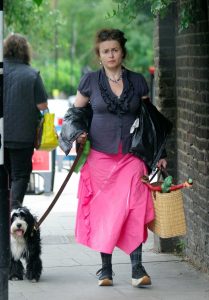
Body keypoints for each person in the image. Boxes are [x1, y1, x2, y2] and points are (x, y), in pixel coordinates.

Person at [60, 28, 168, 287]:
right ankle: (105, 269)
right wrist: (77, 135)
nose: (111, 54)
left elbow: (149, 121)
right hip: (99, 157)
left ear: (122, 52)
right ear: (99, 54)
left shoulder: (138, 81)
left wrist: (160, 154)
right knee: (105, 212)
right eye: (106, 51)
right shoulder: (89, 82)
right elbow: (75, 114)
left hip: (132, 156)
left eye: (115, 50)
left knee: (135, 206)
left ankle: (136, 268)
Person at [3, 33, 49, 209]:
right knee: (20, 175)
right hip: (23, 136)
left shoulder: (0, 70)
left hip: (1, 135)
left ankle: (4, 216)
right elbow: (42, 105)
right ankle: (13, 213)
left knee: (4, 174)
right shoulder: (32, 74)